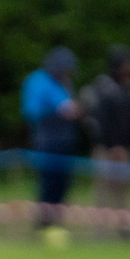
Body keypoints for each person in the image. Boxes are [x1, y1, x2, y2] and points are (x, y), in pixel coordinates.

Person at [21, 47, 83, 230]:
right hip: (46, 141)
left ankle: (57, 220)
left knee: (64, 183)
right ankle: (43, 221)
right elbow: (31, 111)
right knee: (48, 182)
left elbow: (72, 108)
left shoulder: (65, 83)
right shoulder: (37, 80)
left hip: (65, 140)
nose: (67, 72)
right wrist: (56, 109)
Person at [83, 47, 130, 237]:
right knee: (103, 189)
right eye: (127, 63)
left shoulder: (128, 89)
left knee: (123, 189)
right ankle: (100, 229)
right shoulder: (105, 89)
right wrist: (112, 145)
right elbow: (101, 122)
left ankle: (123, 226)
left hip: (124, 149)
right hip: (106, 149)